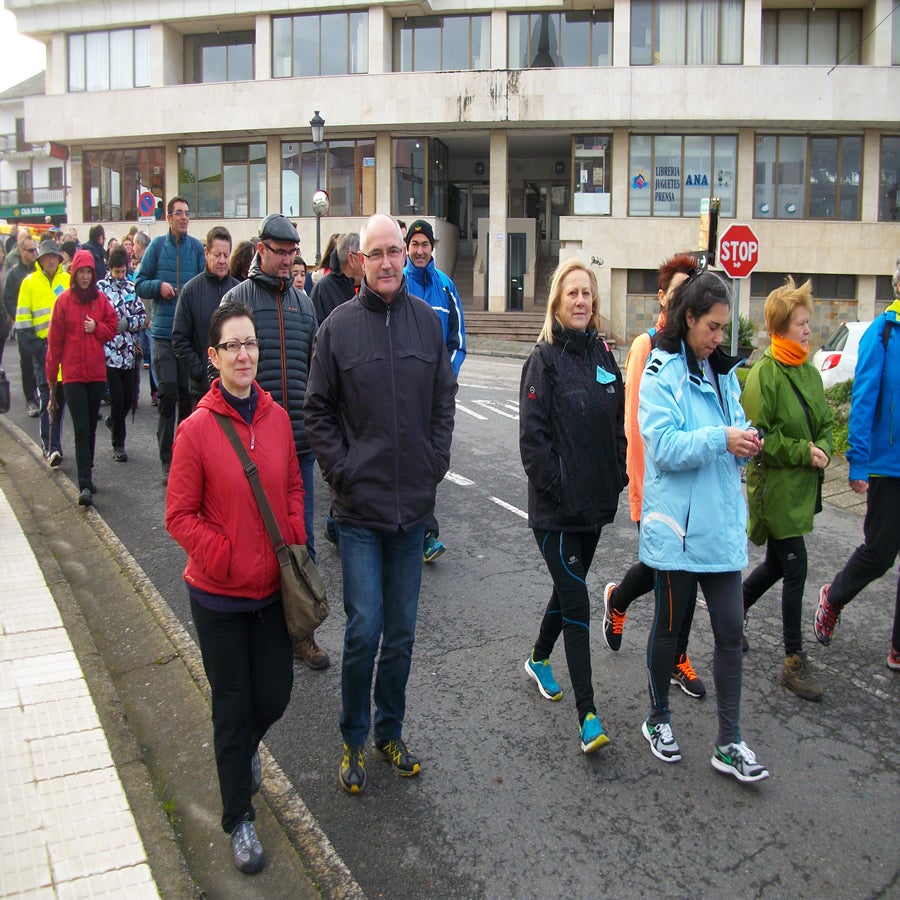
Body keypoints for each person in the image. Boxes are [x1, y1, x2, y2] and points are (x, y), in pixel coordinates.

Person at [304, 214, 457, 795]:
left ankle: (389, 730)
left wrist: (435, 460)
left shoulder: (425, 321)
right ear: (359, 263)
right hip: (360, 512)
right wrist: (342, 471)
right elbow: (316, 411)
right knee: (365, 628)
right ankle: (353, 735)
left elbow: (444, 397)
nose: (390, 262)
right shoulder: (338, 329)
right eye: (378, 254)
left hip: (412, 509)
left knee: (402, 633)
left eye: (397, 251)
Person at [166, 300, 304, 875]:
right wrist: (224, 555)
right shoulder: (196, 430)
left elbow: (295, 484)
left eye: (251, 344)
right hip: (218, 597)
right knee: (230, 705)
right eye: (233, 346)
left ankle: (247, 746)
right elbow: (178, 515)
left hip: (271, 591)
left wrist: (291, 533)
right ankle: (238, 819)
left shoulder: (276, 418)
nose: (245, 354)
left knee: (272, 696)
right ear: (214, 357)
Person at [638, 268, 769, 783]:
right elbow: (664, 448)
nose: (719, 337)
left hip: (720, 529)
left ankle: (729, 741)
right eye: (712, 327)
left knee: (732, 631)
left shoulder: (726, 373)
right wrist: (722, 438)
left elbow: (731, 432)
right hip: (679, 531)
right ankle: (658, 718)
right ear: (688, 318)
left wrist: (747, 441)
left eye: (724, 328)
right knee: (669, 630)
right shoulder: (660, 371)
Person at [519, 258, 626, 753]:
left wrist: (618, 472)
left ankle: (540, 656)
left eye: (587, 294)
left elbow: (617, 424)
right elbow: (533, 441)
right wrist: (558, 486)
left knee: (570, 589)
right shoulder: (543, 359)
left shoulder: (604, 354)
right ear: (558, 304)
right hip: (556, 509)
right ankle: (588, 716)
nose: (581, 301)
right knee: (579, 599)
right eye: (572, 294)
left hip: (594, 505)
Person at [222, 214, 327, 670]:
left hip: (298, 446)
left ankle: (302, 633)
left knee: (299, 540)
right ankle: (253, 630)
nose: (287, 261)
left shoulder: (305, 305)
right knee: (251, 540)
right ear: (261, 249)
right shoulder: (237, 300)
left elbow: (318, 372)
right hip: (248, 447)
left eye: (293, 253)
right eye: (280, 252)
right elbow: (220, 372)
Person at [603, 252, 706, 699]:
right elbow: (634, 426)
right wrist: (641, 490)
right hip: (657, 485)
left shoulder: (698, 345)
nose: (685, 298)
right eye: (678, 290)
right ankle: (662, 644)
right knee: (666, 572)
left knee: (686, 570)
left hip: (693, 486)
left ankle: (626, 608)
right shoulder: (648, 346)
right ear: (663, 297)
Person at [740, 277, 833, 700]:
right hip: (775, 490)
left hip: (801, 492)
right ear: (780, 328)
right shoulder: (765, 374)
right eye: (800, 323)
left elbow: (827, 425)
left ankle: (734, 609)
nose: (808, 330)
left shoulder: (810, 373)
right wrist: (804, 452)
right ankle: (793, 661)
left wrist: (826, 451)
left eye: (807, 322)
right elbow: (758, 438)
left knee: (778, 566)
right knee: (796, 566)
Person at [815, 296, 900, 671]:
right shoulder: (883, 332)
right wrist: (858, 463)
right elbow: (864, 398)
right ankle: (835, 595)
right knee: (880, 552)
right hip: (888, 465)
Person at [403, 218, 467, 563]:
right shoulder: (397, 282)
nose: (420, 251)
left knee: (431, 457)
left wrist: (446, 378)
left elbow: (458, 341)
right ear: (407, 248)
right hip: (402, 392)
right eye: (414, 245)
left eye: (425, 245)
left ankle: (424, 531)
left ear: (432, 248)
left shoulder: (445, 287)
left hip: (436, 395)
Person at [136, 196, 205, 481]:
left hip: (187, 334)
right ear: (168, 218)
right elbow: (139, 283)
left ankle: (185, 457)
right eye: (179, 213)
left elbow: (204, 283)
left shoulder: (196, 249)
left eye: (187, 213)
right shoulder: (156, 247)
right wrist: (159, 286)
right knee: (167, 394)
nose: (184, 218)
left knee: (188, 399)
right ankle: (167, 459)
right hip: (163, 333)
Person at [45, 249, 118, 506]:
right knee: (82, 429)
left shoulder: (100, 301)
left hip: (96, 375)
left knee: (91, 427)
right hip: (73, 376)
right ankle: (84, 484)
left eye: (89, 272)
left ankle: (87, 471)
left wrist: (96, 328)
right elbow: (54, 344)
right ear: (74, 274)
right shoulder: (63, 302)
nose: (85, 277)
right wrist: (52, 382)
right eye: (81, 272)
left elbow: (113, 325)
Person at [16, 240, 70, 464]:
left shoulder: (67, 280)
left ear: (59, 259)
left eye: (54, 256)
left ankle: (54, 444)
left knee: (62, 399)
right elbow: (22, 324)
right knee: (48, 398)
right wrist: (40, 350)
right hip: (43, 350)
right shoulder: (29, 283)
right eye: (47, 256)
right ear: (40, 259)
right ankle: (51, 447)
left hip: (66, 352)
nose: (50, 260)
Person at [173, 226, 239, 408]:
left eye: (226, 255)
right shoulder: (190, 291)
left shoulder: (239, 291)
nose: (222, 261)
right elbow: (179, 339)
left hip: (234, 388)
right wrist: (199, 370)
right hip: (201, 390)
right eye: (217, 255)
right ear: (206, 252)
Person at [98, 246, 146, 462]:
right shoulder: (101, 289)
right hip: (108, 353)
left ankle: (114, 421)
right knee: (117, 398)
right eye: (116, 271)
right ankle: (118, 443)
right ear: (110, 269)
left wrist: (128, 323)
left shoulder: (130, 286)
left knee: (129, 398)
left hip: (128, 353)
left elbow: (142, 316)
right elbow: (96, 319)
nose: (120, 275)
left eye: (123, 271)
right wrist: (108, 327)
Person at [5, 233, 40, 416]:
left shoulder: (38, 270)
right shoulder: (14, 274)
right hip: (24, 327)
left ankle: (42, 394)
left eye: (35, 249)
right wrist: (18, 318)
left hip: (40, 325)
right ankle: (30, 399)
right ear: (21, 251)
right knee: (26, 362)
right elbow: (8, 298)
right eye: (30, 250)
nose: (35, 253)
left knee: (41, 361)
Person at [310, 232, 361, 326]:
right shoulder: (323, 289)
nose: (369, 262)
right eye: (363, 257)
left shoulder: (372, 287)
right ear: (351, 259)